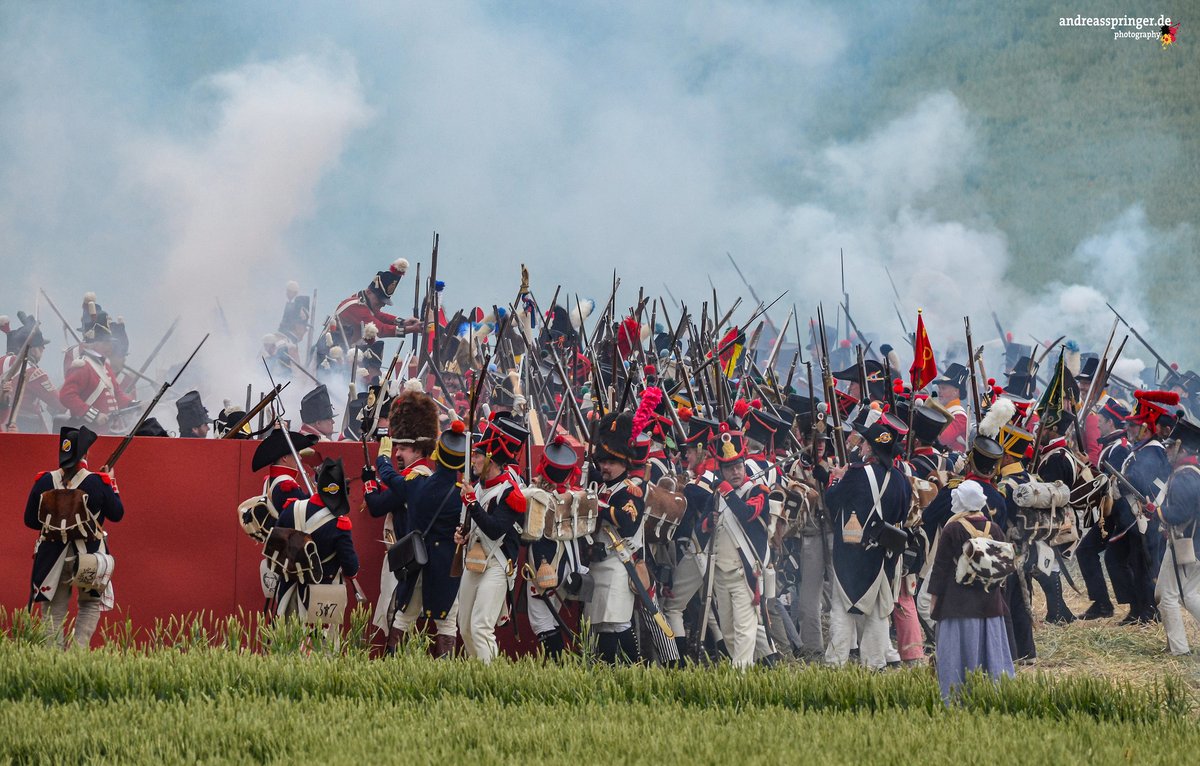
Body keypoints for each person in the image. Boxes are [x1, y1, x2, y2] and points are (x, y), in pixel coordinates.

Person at [372, 421, 466, 657]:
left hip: (418, 559)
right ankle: (444, 672)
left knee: (403, 616)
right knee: (447, 621)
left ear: (437, 455)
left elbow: (391, 478)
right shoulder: (461, 493)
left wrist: (383, 459)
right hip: (446, 564)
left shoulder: (417, 484)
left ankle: (391, 663)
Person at [24, 426, 124, 648]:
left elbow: (30, 521)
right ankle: (77, 657)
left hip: (52, 560)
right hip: (87, 558)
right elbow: (117, 514)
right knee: (89, 605)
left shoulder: (42, 481)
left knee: (53, 613)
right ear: (85, 454)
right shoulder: (99, 482)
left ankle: (53, 663)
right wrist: (111, 482)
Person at [824, 415, 911, 670]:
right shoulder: (900, 480)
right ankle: (874, 664)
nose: (860, 447)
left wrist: (838, 478)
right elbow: (902, 516)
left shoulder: (855, 474)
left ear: (870, 448)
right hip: (883, 555)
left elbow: (832, 500)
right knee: (876, 613)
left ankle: (835, 664)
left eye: (864, 443)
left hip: (851, 556)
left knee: (841, 610)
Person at [363, 381, 440, 643]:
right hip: (413, 556)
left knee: (398, 614)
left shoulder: (413, 478)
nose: (397, 453)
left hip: (406, 558)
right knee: (400, 616)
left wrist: (369, 481)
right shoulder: (420, 476)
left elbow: (376, 506)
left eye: (403, 448)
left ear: (418, 449)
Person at [928, 480, 1015, 703]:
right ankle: (994, 695)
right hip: (990, 604)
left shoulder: (952, 528)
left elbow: (941, 567)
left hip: (958, 605)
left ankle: (955, 696)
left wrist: (934, 598)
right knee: (991, 654)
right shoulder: (994, 528)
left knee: (957, 655)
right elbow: (1004, 567)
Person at [455, 412, 528, 663]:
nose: (472, 459)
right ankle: (478, 676)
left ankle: (492, 681)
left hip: (498, 563)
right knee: (464, 625)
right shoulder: (478, 487)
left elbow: (496, 529)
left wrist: (473, 505)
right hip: (474, 559)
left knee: (480, 627)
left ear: (490, 459)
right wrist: (462, 535)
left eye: (477, 455)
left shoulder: (510, 493)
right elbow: (474, 524)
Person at [706, 422, 771, 668]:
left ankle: (740, 677)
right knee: (729, 630)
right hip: (721, 573)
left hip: (744, 572)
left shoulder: (758, 490)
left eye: (738, 466)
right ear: (721, 470)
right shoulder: (717, 495)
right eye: (729, 468)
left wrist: (727, 492)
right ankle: (744, 670)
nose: (735, 471)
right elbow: (704, 525)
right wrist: (708, 523)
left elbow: (746, 514)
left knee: (745, 629)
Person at [585, 411, 646, 663]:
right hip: (597, 565)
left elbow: (628, 522)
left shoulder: (631, 490)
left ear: (624, 463)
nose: (605, 466)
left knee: (616, 623)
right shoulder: (602, 485)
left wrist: (597, 506)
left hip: (618, 565)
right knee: (598, 626)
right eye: (603, 461)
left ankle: (634, 669)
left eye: (611, 462)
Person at [274, 457, 361, 622]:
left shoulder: (292, 508)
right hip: (320, 597)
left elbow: (277, 546)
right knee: (319, 645)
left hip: (288, 591)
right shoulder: (340, 524)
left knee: (285, 642)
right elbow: (351, 567)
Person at [1077, 398, 1132, 619]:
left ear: (1110, 422)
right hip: (1109, 514)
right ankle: (1102, 604)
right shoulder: (1113, 446)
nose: (1097, 425)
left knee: (1090, 552)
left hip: (1116, 514)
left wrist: (1089, 468)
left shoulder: (1118, 449)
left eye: (1100, 421)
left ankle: (1110, 604)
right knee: (1087, 551)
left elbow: (1112, 484)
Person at [1155, 418, 1200, 655]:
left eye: (1171, 446)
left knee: (1169, 597)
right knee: (1185, 595)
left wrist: (1157, 512)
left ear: (1182, 449)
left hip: (1187, 545)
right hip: (1191, 544)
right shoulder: (1189, 473)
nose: (1167, 449)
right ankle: (1178, 646)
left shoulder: (1185, 476)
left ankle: (1180, 650)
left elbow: (1179, 513)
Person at [58, 312, 135, 434]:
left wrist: (136, 405)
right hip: (89, 432)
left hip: (108, 431)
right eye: (105, 343)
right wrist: (93, 415)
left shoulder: (105, 366)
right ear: (93, 345)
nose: (110, 347)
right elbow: (66, 396)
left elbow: (117, 395)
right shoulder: (83, 366)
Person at [330, 259, 423, 349]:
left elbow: (378, 315)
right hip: (329, 354)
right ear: (369, 292)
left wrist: (403, 322)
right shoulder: (357, 306)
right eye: (380, 300)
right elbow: (381, 330)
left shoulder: (361, 301)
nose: (383, 305)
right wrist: (412, 329)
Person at [1, 312, 64, 433]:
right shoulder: (34, 373)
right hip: (24, 428)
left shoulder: (2, 361)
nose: (43, 350)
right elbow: (59, 404)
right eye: (41, 346)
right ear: (33, 349)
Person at [932, 363, 970, 452]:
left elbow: (942, 439)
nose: (939, 391)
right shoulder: (943, 411)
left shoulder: (960, 416)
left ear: (956, 391)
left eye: (943, 388)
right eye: (939, 388)